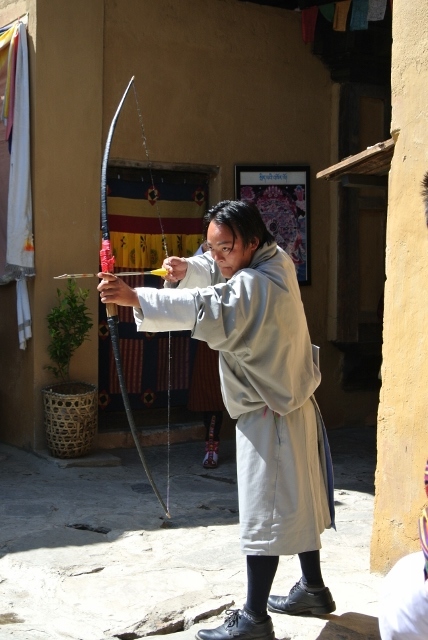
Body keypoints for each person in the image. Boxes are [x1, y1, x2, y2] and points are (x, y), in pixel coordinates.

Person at [98, 199, 336, 640]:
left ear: (250, 241)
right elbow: (215, 272)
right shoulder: (275, 257)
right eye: (212, 249)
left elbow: (211, 303)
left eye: (225, 248)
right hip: (290, 400)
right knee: (298, 498)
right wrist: (188, 268)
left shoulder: (257, 285)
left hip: (271, 409)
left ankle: (253, 619)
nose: (217, 257)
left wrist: (135, 298)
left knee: (264, 513)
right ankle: (313, 588)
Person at [190, 240, 225, 468]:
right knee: (212, 395)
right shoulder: (203, 256)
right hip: (213, 335)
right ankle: (211, 447)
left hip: (242, 333)